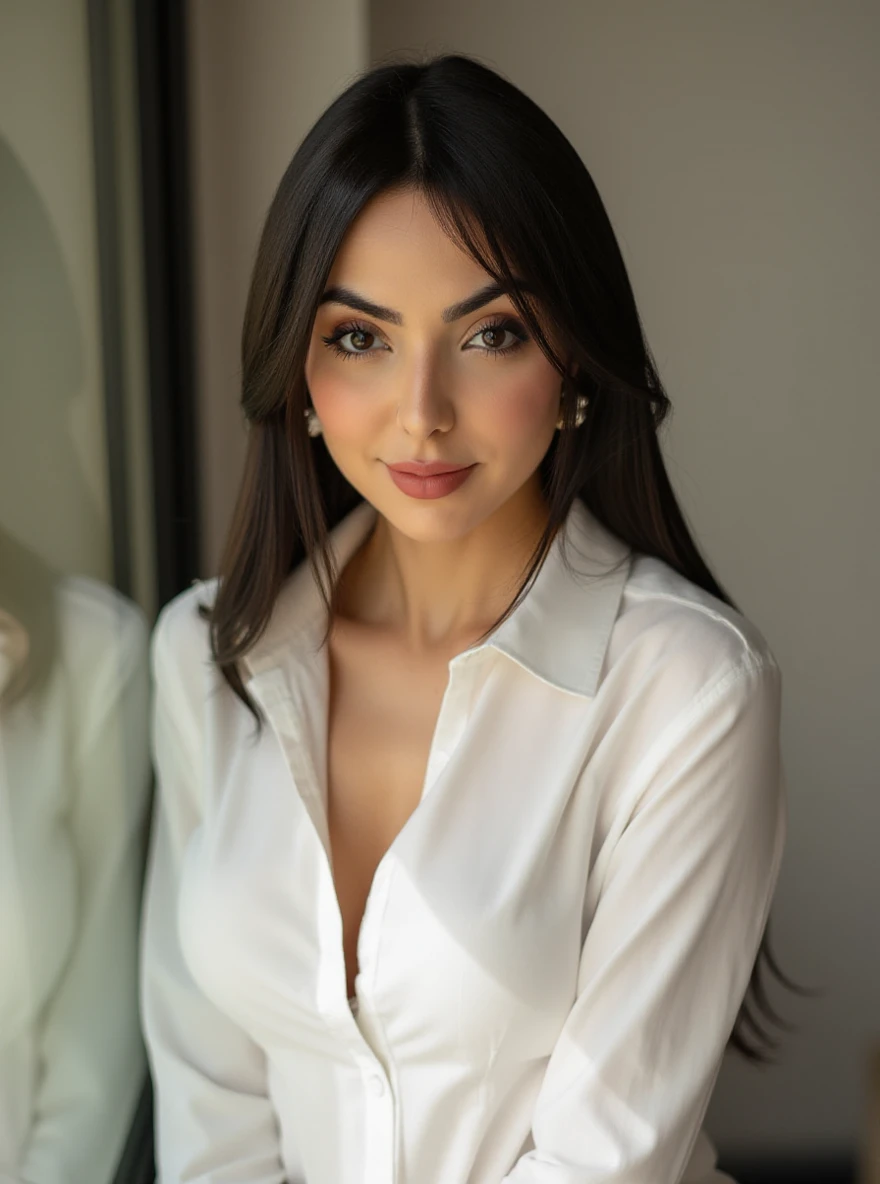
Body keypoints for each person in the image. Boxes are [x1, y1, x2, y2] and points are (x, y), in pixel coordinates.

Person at [139, 52, 798, 1184]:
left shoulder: (688, 691)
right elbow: (213, 1108)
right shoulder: (208, 659)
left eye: (489, 334)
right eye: (361, 337)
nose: (421, 412)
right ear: (298, 371)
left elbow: (603, 1163)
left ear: (573, 362)